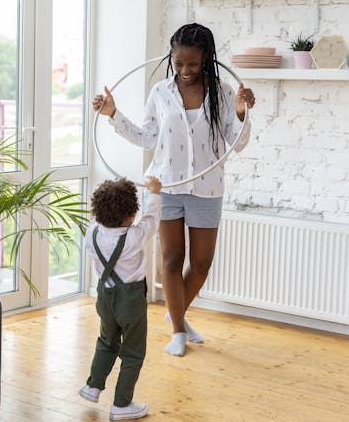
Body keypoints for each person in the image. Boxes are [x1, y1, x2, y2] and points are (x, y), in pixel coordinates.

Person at [93, 23, 256, 357]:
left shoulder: (224, 92)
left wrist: (241, 111)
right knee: (171, 259)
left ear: (206, 59)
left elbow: (236, 144)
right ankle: (178, 330)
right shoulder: (160, 92)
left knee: (201, 264)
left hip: (208, 188)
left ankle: (175, 309)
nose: (185, 70)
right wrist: (113, 114)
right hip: (165, 185)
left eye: (193, 64)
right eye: (179, 63)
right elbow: (148, 138)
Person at [78, 175, 161, 421]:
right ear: (131, 215)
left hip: (104, 298)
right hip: (130, 302)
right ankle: (122, 404)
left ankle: (93, 386)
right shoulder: (134, 237)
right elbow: (153, 218)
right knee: (133, 352)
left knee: (107, 341)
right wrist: (153, 192)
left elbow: (100, 219)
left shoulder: (91, 232)